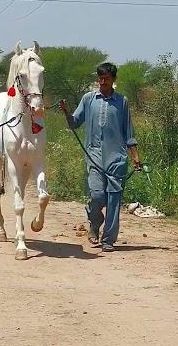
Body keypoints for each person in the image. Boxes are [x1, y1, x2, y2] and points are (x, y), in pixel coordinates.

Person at [59, 62, 141, 252]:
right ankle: (95, 224)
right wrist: (66, 113)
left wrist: (135, 157)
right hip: (94, 156)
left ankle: (108, 240)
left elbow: (129, 133)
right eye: (100, 78)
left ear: (113, 80)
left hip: (117, 158)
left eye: (106, 78)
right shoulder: (88, 99)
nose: (102, 82)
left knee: (114, 201)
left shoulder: (122, 102)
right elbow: (74, 124)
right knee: (97, 195)